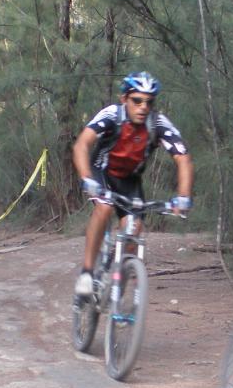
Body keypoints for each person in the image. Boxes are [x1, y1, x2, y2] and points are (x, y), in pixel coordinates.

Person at [71, 71, 194, 296]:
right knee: (104, 207)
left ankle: (115, 286)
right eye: (137, 100)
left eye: (149, 102)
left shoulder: (157, 123)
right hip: (102, 173)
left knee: (134, 229)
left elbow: (182, 157)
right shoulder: (111, 115)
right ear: (124, 99)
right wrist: (87, 178)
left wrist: (183, 196)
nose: (143, 107)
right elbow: (82, 145)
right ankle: (87, 273)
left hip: (130, 182)